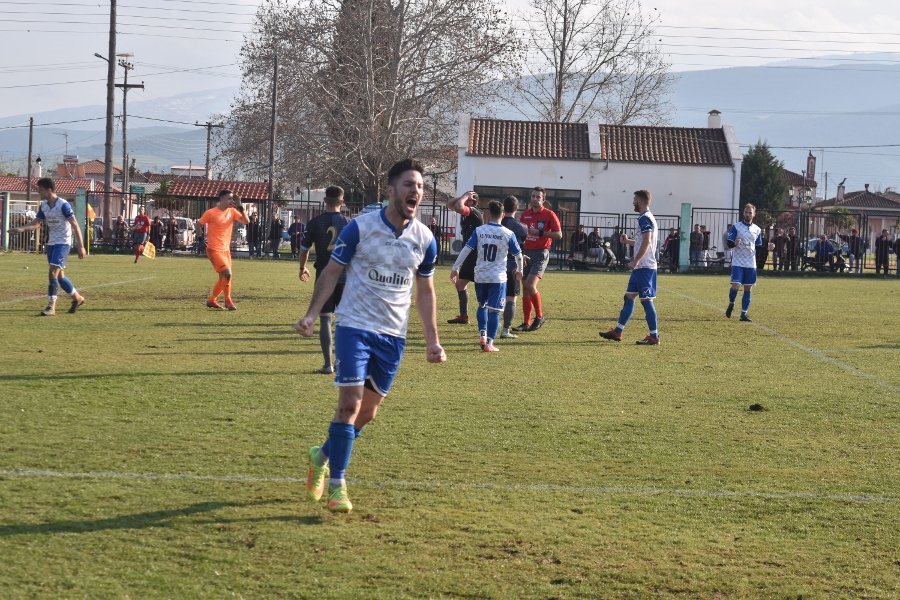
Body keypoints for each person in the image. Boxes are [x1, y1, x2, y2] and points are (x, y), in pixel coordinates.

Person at [294, 158, 446, 514]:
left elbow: (425, 292)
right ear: (391, 189)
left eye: (420, 186)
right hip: (354, 326)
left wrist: (433, 340)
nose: (416, 191)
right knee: (349, 405)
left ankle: (322, 455)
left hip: (393, 335)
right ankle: (337, 485)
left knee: (368, 413)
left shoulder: (425, 239)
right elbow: (332, 271)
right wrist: (312, 314)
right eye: (409, 184)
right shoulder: (360, 228)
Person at [450, 200, 523, 352]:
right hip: (497, 277)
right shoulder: (508, 233)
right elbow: (519, 255)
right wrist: (519, 270)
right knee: (495, 311)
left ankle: (482, 334)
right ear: (503, 214)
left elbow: (466, 249)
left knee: (482, 305)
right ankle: (489, 343)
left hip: (480, 275)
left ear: (488, 214)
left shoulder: (479, 230)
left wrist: (455, 267)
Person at [7, 177, 86, 316]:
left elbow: (75, 224)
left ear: (49, 190)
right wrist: (20, 229)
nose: (39, 192)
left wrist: (81, 246)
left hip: (63, 243)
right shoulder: (43, 205)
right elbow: (37, 223)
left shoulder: (63, 205)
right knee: (60, 276)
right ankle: (77, 298)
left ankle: (51, 307)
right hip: (51, 243)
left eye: (40, 189)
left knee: (52, 272)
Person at [298, 186, 350, 374]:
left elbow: (304, 249)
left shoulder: (314, 223)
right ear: (342, 201)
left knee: (325, 319)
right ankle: (342, 363)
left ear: (325, 201)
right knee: (344, 321)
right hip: (346, 276)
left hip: (324, 276)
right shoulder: (349, 223)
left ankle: (328, 365)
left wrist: (302, 267)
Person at [598, 190, 660, 345]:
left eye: (634, 200)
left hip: (645, 267)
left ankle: (654, 336)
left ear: (640, 201)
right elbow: (643, 241)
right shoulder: (646, 217)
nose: (633, 202)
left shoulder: (645, 218)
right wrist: (628, 242)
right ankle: (618, 331)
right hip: (641, 267)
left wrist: (636, 261)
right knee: (629, 297)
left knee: (646, 300)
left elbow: (647, 242)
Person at [512, 186, 562, 332]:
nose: (535, 199)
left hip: (541, 253)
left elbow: (558, 235)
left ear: (543, 199)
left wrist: (540, 233)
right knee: (525, 288)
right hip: (526, 252)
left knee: (530, 285)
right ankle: (526, 322)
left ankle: (540, 316)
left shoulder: (549, 214)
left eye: (538, 197)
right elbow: (520, 235)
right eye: (533, 196)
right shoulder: (525, 215)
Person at [198, 190, 250, 310]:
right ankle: (228, 301)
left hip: (225, 251)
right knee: (227, 274)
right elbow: (199, 224)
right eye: (229, 198)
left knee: (224, 277)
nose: (231, 201)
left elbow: (246, 221)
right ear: (221, 199)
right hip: (213, 250)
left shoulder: (232, 211)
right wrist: (200, 238)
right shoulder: (211, 213)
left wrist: (240, 205)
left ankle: (212, 300)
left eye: (232, 199)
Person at [445, 191, 483, 325]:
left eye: (468, 200)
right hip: (469, 254)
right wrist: (464, 195)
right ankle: (463, 316)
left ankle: (486, 315)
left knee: (481, 288)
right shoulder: (466, 213)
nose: (465, 201)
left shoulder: (473, 212)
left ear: (473, 202)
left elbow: (459, 207)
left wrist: (465, 197)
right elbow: (449, 204)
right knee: (460, 284)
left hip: (476, 255)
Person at [724, 203, 763, 322]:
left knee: (748, 288)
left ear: (754, 214)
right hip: (738, 262)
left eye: (750, 212)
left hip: (751, 263)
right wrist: (734, 243)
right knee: (735, 285)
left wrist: (770, 247)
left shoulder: (757, 229)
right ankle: (731, 303)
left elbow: (759, 247)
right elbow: (729, 243)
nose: (748, 214)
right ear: (743, 213)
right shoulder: (736, 227)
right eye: (746, 212)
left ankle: (743, 314)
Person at [499, 195, 528, 338]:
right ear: (517, 208)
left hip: (495, 266)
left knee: (492, 298)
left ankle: (486, 329)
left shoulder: (495, 225)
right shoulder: (522, 228)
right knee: (511, 298)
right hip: (512, 265)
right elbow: (519, 249)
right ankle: (506, 330)